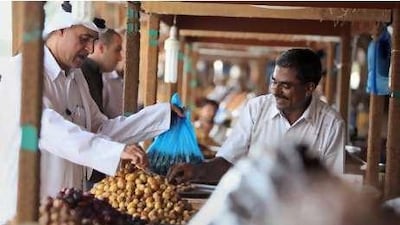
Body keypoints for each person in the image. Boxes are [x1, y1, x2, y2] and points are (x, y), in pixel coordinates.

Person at [3, 1, 184, 206]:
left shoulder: (76, 76)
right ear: (60, 30)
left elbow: (100, 128)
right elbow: (47, 127)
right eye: (84, 39)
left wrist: (160, 116)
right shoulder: (21, 70)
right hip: (27, 205)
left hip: (65, 204)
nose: (89, 49)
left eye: (93, 40)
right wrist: (113, 152)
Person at [167, 48, 345, 184]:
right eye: (274, 81)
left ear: (309, 88)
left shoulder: (331, 124)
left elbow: (330, 185)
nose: (275, 91)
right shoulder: (256, 109)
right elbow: (229, 160)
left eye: (286, 86)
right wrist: (197, 171)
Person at [81, 28, 122, 114]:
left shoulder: (95, 72)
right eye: (117, 50)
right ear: (101, 48)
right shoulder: (82, 72)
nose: (120, 58)